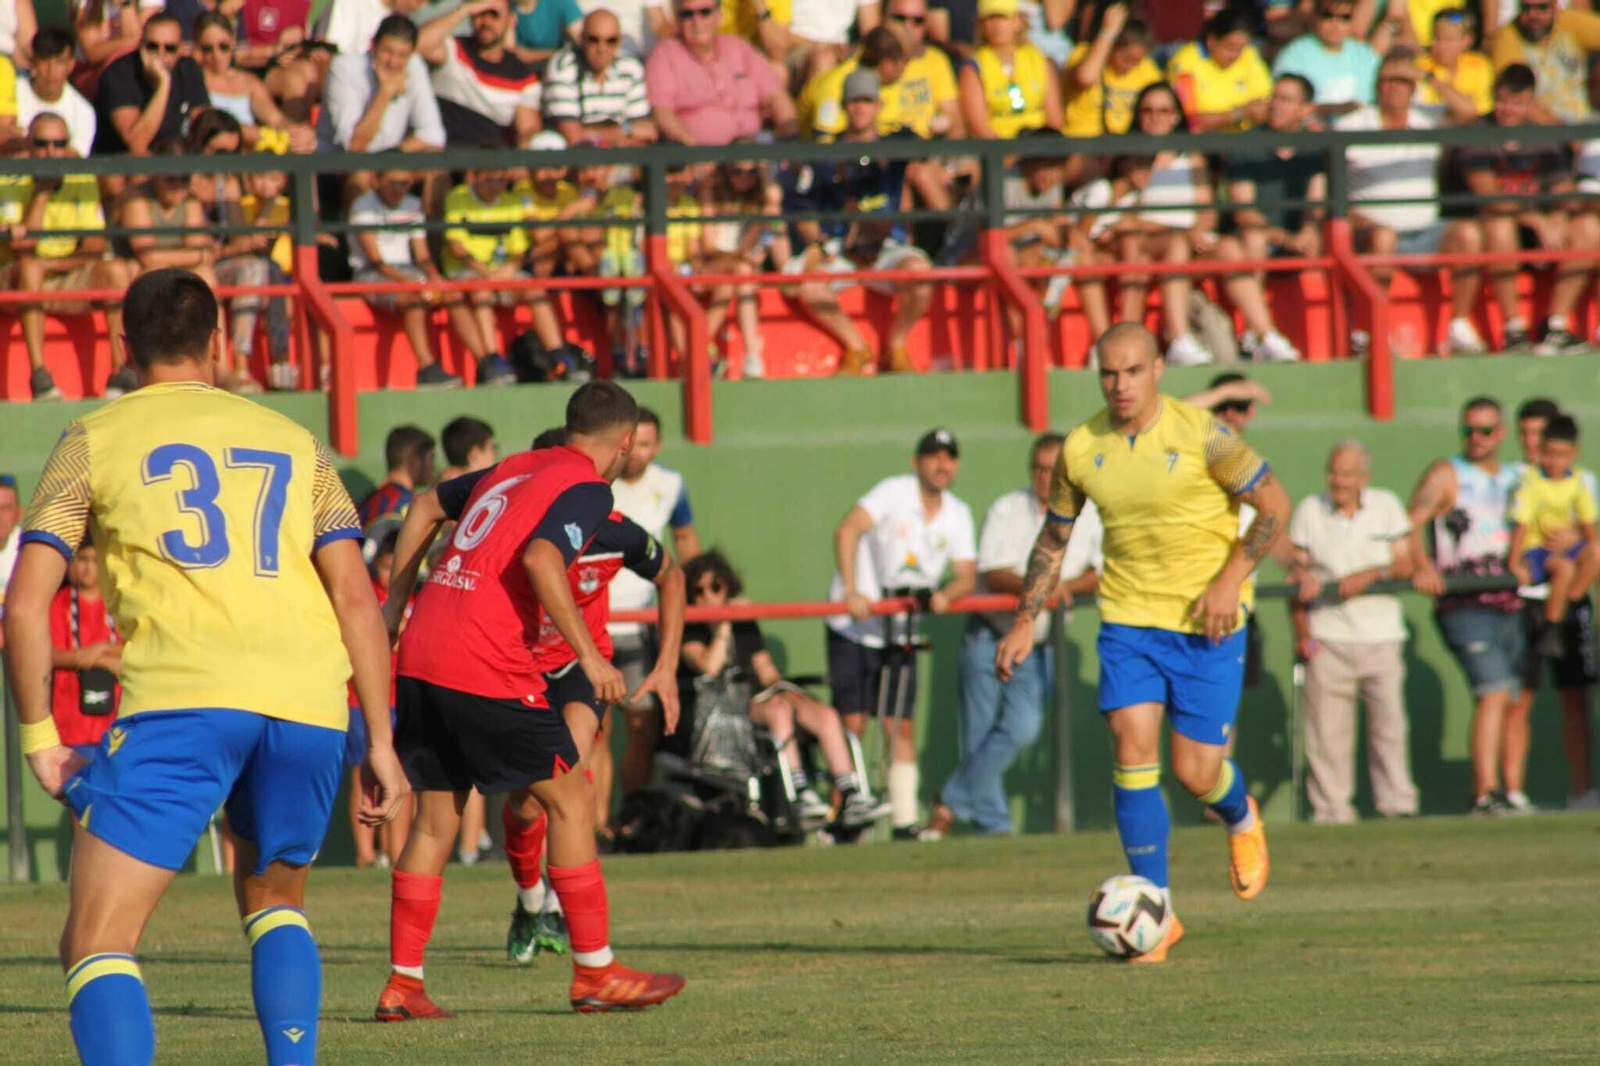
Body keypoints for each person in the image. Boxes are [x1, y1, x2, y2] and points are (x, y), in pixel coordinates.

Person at [1, 267, 407, 1064]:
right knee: (275, 901)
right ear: (218, 343)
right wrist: (383, 744)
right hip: (307, 704)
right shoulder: (300, 443)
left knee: (97, 940)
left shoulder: (93, 437)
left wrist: (40, 737)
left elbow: (22, 606)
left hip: (183, 699)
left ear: (124, 349)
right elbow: (359, 604)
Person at [373, 381, 686, 1020]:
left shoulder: (515, 466)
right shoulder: (590, 489)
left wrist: (396, 607)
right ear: (625, 442)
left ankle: (403, 983)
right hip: (483, 656)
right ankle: (595, 971)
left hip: (426, 648)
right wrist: (593, 656)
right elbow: (543, 557)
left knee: (438, 820)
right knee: (572, 797)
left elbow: (427, 502)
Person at [996, 322, 1289, 963]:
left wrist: (1230, 578)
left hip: (1208, 623)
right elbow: (1054, 540)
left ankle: (1241, 816)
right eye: (1108, 373)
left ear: (1158, 367)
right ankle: (1157, 916)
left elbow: (1273, 506)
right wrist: (1025, 618)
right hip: (1128, 621)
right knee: (1131, 751)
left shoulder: (1208, 435)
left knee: (1195, 773)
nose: (1120, 384)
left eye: (1132, 371)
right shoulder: (1080, 448)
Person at [504, 425, 685, 960]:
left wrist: (668, 665)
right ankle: (529, 900)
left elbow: (672, 576)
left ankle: (561, 912)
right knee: (525, 803)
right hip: (516, 669)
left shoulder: (612, 530)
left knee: (575, 783)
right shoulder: (511, 536)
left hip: (578, 671)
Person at [928, 433, 1102, 838]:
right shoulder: (1007, 508)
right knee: (978, 735)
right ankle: (994, 828)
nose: (1045, 478)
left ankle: (949, 801)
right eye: (1038, 469)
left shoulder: (1090, 514)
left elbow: (1101, 569)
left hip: (1039, 644)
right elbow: (993, 571)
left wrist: (1066, 588)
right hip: (990, 633)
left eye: (1053, 470)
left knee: (1023, 728)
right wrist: (1040, 583)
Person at [829, 427, 978, 840]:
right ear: (917, 462)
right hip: (855, 625)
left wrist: (947, 594)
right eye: (933, 456)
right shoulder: (893, 492)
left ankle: (903, 821)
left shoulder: (958, 513)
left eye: (949, 457)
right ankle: (841, 818)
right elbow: (847, 530)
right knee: (853, 723)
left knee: (900, 724)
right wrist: (852, 588)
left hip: (902, 626)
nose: (941, 465)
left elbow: (966, 574)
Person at [681, 549, 890, 826]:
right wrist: (724, 622)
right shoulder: (689, 629)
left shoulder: (746, 624)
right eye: (699, 590)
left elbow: (766, 670)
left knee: (822, 713)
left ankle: (851, 795)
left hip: (763, 700)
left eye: (716, 587)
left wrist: (785, 690)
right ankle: (800, 794)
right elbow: (709, 665)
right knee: (780, 710)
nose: (709, 596)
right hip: (723, 712)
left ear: (727, 587)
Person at [1406, 396, 1532, 814]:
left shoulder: (1517, 477)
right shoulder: (1448, 474)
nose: (1474, 439)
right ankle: (1485, 793)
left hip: (1511, 600)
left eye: (1483, 431)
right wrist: (1424, 566)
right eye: (1468, 431)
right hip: (1465, 601)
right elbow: (1413, 521)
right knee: (1493, 691)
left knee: (1514, 697)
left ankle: (1513, 790)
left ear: (1501, 434)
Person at [1288, 441, 1420, 824]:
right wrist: (1302, 632)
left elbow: (1406, 562)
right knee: (1327, 735)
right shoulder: (1310, 510)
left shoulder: (1387, 505)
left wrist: (1371, 574)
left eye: (1346, 474)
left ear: (1364, 477)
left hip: (1381, 636)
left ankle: (1398, 805)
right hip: (1328, 637)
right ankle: (1332, 811)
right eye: (1333, 472)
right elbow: (1297, 572)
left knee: (1390, 728)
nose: (1338, 481)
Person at [781, 70, 933, 376]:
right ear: (843, 106)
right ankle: (857, 347)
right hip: (843, 250)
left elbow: (926, 149)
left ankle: (896, 346)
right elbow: (803, 210)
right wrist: (818, 245)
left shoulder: (895, 144)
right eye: (853, 101)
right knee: (809, 286)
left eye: (866, 101)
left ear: (878, 105)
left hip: (889, 247)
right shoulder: (826, 155)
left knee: (921, 275)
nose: (860, 108)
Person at [1443, 63, 1597, 355]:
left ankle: (1556, 327)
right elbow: (1488, 195)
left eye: (1516, 103)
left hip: (1540, 232)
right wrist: (1537, 219)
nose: (1507, 110)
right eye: (1502, 101)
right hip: (1496, 233)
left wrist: (1559, 217)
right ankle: (1514, 330)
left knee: (1588, 227)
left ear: (1530, 103)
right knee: (1500, 224)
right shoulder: (1477, 133)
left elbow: (1563, 191)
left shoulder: (1541, 137)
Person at [1340, 48, 1485, 346]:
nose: (1391, 87)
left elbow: (1469, 113)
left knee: (1469, 233)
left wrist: (1429, 75)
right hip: (1373, 233)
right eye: (1385, 80)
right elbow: (1334, 191)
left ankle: (1457, 326)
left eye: (1400, 80)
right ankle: (1377, 332)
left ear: (1413, 86)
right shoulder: (1352, 124)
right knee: (1383, 237)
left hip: (1426, 233)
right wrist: (1355, 216)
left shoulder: (1427, 118)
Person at [3, 113, 135, 403]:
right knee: (29, 268)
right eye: (42, 144)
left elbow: (94, 246)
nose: (51, 152)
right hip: (13, 279)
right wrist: (42, 192)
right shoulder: (9, 179)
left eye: (59, 144)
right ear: (28, 145)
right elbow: (22, 249)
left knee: (116, 269)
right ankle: (40, 377)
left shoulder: (80, 176)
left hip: (58, 275)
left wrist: (50, 264)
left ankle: (120, 373)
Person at [1506, 399, 1599, 809]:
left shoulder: (1583, 482)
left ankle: (1582, 790)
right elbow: (1521, 527)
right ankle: (1510, 792)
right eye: (1527, 435)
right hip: (1528, 600)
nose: (1537, 446)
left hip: (1568, 592)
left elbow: (1590, 532)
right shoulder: (1519, 481)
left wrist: (1578, 541)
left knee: (1575, 698)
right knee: (1517, 696)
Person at [607, 408, 701, 797]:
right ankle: (593, 826)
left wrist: (698, 593)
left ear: (658, 445)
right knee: (592, 731)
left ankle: (632, 812)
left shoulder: (671, 484)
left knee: (641, 726)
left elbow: (686, 543)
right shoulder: (599, 482)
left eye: (647, 444)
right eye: (633, 444)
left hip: (641, 626)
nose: (638, 453)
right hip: (592, 620)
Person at [1219, 75, 1325, 357]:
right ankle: (1260, 336)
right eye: (1274, 97)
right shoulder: (1248, 143)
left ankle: (1345, 341)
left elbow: (1317, 202)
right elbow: (1244, 211)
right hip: (1262, 239)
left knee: (1333, 241)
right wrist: (1284, 237)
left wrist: (1308, 230)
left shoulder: (1316, 146)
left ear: (1306, 109)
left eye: (1286, 100)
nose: (1276, 105)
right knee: (1253, 240)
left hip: (1295, 241)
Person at [348, 169, 462, 389]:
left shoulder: (412, 204)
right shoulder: (362, 207)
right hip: (370, 274)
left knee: (454, 295)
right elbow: (376, 260)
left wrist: (435, 279)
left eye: (404, 184)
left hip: (408, 272)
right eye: (393, 182)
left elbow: (422, 256)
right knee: (413, 299)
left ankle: (488, 363)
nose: (398, 189)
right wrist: (415, 286)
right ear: (376, 180)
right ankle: (427, 369)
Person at [439, 162, 537, 387]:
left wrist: (508, 270)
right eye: (490, 179)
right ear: (474, 176)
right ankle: (492, 362)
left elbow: (519, 251)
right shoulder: (457, 197)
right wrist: (487, 274)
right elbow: (456, 247)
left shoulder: (512, 201)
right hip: (468, 272)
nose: (496, 185)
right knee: (480, 291)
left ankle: (558, 356)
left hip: (502, 273)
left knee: (536, 287)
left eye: (501, 179)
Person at [647, 0, 799, 144]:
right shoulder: (664, 54)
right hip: (703, 158)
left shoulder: (739, 47)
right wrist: (692, 151)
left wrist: (791, 142)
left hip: (754, 151)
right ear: (678, 21)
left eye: (704, 12)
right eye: (688, 14)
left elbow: (776, 96)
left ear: (719, 16)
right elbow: (663, 113)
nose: (697, 21)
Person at [1509, 414, 1600, 643]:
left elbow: (1589, 526)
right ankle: (1553, 626)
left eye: (1561, 456)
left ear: (1573, 453)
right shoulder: (1530, 481)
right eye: (1549, 454)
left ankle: (1570, 601)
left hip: (1569, 551)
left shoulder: (1580, 481)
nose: (1554, 462)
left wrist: (1589, 549)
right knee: (1565, 569)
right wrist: (1514, 563)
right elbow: (1522, 525)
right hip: (1539, 551)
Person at [419, 0, 543, 149]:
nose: (485, 22)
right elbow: (416, 45)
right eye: (479, 14)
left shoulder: (523, 77)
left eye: (494, 15)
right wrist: (464, 10)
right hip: (441, 155)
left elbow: (528, 131)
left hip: (488, 162)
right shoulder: (452, 49)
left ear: (511, 20)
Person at [316, 14, 446, 154]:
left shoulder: (414, 65)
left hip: (388, 161)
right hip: (338, 165)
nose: (393, 62)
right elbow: (354, 147)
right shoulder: (344, 67)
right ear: (372, 45)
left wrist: (393, 157)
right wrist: (385, 93)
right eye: (387, 52)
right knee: (361, 174)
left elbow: (434, 135)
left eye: (402, 55)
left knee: (432, 167)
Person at [1060, 5, 1159, 185]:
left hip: (1124, 152)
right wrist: (1107, 33)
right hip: (1082, 148)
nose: (1131, 66)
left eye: (1137, 61)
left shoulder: (1146, 68)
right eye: (1126, 58)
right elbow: (1085, 78)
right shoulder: (1086, 54)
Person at [91, 12, 210, 157]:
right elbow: (137, 144)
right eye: (152, 47)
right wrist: (164, 84)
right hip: (124, 166)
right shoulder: (118, 74)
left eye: (170, 48)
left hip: (175, 161)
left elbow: (205, 129)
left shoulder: (189, 69)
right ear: (141, 46)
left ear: (180, 50)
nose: (160, 54)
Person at [193, 12, 313, 152]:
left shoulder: (247, 81)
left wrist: (296, 132)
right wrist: (269, 137)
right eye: (208, 49)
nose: (216, 55)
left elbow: (276, 119)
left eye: (223, 46)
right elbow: (213, 125)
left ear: (233, 42)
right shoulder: (194, 81)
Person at [543, 9, 658, 146]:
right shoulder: (563, 66)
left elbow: (647, 133)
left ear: (620, 41)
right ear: (581, 38)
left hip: (624, 160)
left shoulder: (631, 68)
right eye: (593, 40)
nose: (601, 49)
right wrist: (626, 130)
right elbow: (574, 138)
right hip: (578, 162)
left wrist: (592, 133)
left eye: (611, 41)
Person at [49, 544, 122, 759]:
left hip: (117, 720)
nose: (89, 568)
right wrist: (103, 661)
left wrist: (102, 649)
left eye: (95, 560)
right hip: (73, 721)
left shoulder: (118, 602)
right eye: (82, 560)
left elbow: (135, 648)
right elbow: (50, 654)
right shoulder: (57, 603)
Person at [958, 0, 1061, 139]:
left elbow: (1055, 119)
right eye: (990, 18)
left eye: (1003, 17)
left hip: (1040, 147)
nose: (996, 25)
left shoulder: (1039, 59)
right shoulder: (974, 67)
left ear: (1017, 21)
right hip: (998, 153)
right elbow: (980, 129)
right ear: (981, 24)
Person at [1166, 7, 1273, 132]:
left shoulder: (1248, 55)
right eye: (1229, 47)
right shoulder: (1185, 63)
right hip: (1201, 143)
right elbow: (1191, 121)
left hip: (1246, 140)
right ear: (1211, 41)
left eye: (1240, 49)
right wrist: (1239, 114)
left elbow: (1265, 102)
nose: (1235, 55)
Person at [1273, 0, 1381, 120]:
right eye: (1327, 16)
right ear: (1314, 17)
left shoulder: (1366, 55)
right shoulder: (1294, 54)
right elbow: (1285, 107)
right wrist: (1335, 109)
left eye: (1344, 17)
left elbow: (1372, 104)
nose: (1335, 24)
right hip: (1310, 130)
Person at [16, 29, 97, 158]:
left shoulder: (83, 111)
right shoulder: (12, 93)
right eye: (45, 60)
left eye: (60, 62)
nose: (51, 70)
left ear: (71, 65)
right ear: (33, 61)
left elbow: (75, 160)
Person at [1416, 7, 1493, 122]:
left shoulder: (1480, 65)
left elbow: (1481, 111)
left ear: (1467, 40)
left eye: (1448, 40)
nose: (1441, 46)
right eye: (1436, 38)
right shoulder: (1421, 65)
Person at [361, 425, 437, 527]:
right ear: (415, 462)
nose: (434, 466)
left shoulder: (369, 500)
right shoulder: (407, 504)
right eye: (431, 458)